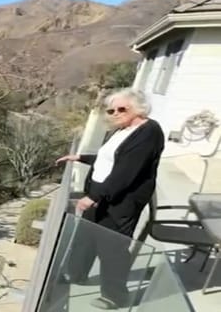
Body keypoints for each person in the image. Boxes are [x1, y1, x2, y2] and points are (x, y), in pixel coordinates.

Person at [55, 88, 165, 310]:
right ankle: (77, 274)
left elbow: (126, 171)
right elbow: (110, 158)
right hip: (101, 194)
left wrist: (94, 197)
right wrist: (80, 157)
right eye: (111, 110)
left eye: (122, 108)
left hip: (120, 201)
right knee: (85, 238)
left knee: (112, 248)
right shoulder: (122, 130)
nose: (115, 113)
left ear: (138, 108)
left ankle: (115, 296)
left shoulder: (148, 132)